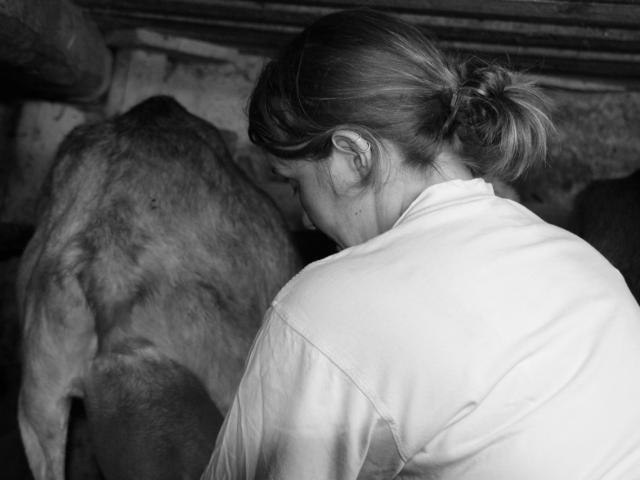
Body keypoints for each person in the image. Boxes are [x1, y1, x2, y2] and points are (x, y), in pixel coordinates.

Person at [201, 8, 640, 479]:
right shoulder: (583, 262)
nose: (306, 217)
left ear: (354, 155)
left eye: (295, 183)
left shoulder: (326, 308)